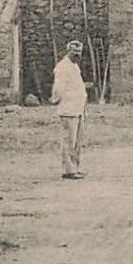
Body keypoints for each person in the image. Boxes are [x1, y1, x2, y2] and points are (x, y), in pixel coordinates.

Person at [50, 40, 88, 178]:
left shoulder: (75, 67)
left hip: (78, 108)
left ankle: (75, 167)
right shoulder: (62, 67)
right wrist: (55, 99)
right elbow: (58, 88)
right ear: (68, 51)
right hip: (68, 109)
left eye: (79, 52)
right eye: (74, 52)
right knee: (68, 140)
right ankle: (68, 170)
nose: (77, 55)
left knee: (77, 141)